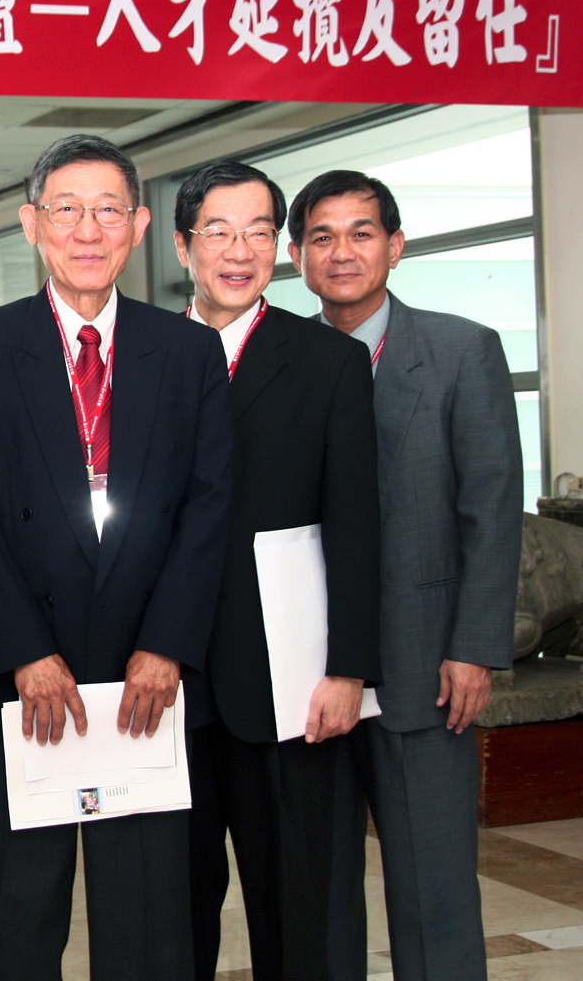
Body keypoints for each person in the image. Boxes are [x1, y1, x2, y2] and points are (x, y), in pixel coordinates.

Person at [0, 134, 233, 981]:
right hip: (18, 675)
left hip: (147, 678)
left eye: (107, 210)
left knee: (147, 918)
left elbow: (208, 505)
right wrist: (23, 650)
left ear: (139, 225)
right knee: (19, 913)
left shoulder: (185, 352)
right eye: (66, 210)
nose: (87, 230)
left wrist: (167, 643)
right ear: (31, 223)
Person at [292, 170, 521, 981]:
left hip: (425, 665)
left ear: (394, 246)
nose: (341, 252)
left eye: (360, 233)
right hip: (310, 674)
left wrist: (474, 647)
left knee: (434, 887)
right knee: (318, 894)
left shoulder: (462, 351)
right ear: (296, 256)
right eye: (320, 236)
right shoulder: (283, 360)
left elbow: (490, 511)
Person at [172, 161, 380, 980]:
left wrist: (348, 670)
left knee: (294, 910)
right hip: (164, 683)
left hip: (288, 689)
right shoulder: (140, 356)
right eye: (218, 232)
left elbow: (356, 525)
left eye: (257, 232)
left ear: (277, 250)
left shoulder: (328, 361)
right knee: (170, 912)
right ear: (183, 245)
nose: (238, 250)